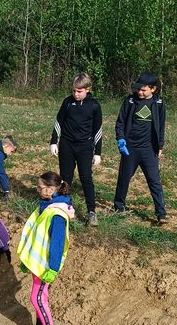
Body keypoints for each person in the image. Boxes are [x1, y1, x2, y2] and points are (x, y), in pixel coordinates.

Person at [17, 171, 71, 325]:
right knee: (41, 298)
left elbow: (57, 244)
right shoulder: (46, 206)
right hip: (37, 263)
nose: (37, 190)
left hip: (46, 267)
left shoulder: (57, 214)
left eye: (40, 187)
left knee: (37, 299)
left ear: (51, 189)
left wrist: (52, 269)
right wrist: (28, 259)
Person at [112, 71, 167, 224]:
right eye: (138, 89)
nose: (140, 92)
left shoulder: (159, 103)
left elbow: (161, 125)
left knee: (154, 181)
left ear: (153, 89)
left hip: (149, 149)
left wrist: (160, 145)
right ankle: (118, 207)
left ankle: (161, 213)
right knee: (124, 178)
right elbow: (120, 122)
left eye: (143, 90)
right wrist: (121, 139)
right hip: (130, 148)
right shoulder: (130, 101)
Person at [50, 72, 103, 227]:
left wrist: (97, 153)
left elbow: (98, 130)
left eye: (79, 91)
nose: (76, 94)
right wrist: (54, 142)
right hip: (66, 144)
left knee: (86, 178)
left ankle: (91, 212)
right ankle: (65, 207)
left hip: (85, 147)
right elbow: (59, 122)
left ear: (87, 89)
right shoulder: (67, 102)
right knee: (66, 178)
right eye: (73, 91)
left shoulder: (94, 106)